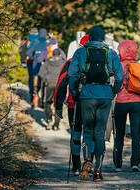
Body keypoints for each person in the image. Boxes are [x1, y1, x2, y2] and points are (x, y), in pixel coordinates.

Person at [69, 26, 124, 182]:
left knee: (87, 131)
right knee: (100, 133)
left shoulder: (80, 52)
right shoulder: (111, 53)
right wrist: (113, 91)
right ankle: (98, 171)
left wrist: (74, 92)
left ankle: (87, 163)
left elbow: (72, 75)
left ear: (91, 37)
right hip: (105, 96)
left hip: (86, 95)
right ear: (103, 38)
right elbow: (120, 76)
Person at [54, 35, 89, 176]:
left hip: (73, 104)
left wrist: (57, 105)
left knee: (75, 135)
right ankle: (88, 164)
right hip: (91, 104)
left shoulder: (71, 62)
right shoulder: (99, 63)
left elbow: (61, 84)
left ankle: (75, 166)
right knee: (89, 134)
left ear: (80, 46)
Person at [113, 40, 140, 172]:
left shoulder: (118, 66)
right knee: (136, 133)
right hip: (137, 102)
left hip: (121, 102)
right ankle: (135, 163)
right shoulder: (139, 66)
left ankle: (118, 164)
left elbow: (115, 84)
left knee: (119, 133)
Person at [38, 48, 65, 130]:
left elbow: (40, 73)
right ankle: (56, 124)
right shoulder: (63, 62)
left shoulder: (47, 62)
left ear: (53, 54)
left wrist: (46, 79)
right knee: (59, 103)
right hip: (60, 85)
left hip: (49, 84)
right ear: (59, 54)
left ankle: (49, 119)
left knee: (48, 102)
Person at [26, 28, 48, 108]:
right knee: (43, 84)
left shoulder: (35, 42)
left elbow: (28, 52)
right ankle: (42, 102)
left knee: (35, 83)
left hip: (35, 64)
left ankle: (34, 101)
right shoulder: (47, 43)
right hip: (44, 66)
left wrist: (34, 57)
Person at [20, 28, 38, 102]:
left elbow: (23, 52)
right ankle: (37, 92)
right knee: (37, 77)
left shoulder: (28, 41)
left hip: (30, 62)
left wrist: (23, 62)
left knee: (31, 77)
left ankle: (31, 94)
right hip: (37, 62)